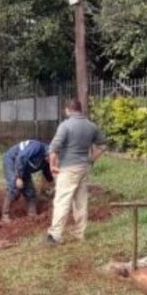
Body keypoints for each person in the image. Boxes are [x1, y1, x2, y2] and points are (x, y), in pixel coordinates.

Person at [47, 98, 108, 245]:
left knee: (62, 200)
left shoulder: (65, 126)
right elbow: (103, 146)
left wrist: (52, 165)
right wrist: (91, 159)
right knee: (81, 201)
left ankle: (55, 235)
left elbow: (54, 148)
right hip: (83, 168)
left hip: (68, 168)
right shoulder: (91, 126)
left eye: (66, 110)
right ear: (80, 110)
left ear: (68, 110)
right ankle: (79, 233)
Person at [1, 139, 53, 222]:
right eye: (52, 158)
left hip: (24, 167)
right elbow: (21, 158)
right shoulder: (37, 147)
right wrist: (18, 177)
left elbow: (48, 175)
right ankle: (5, 215)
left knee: (30, 192)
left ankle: (32, 215)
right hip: (12, 160)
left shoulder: (47, 161)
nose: (53, 161)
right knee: (14, 187)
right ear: (49, 153)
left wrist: (54, 182)